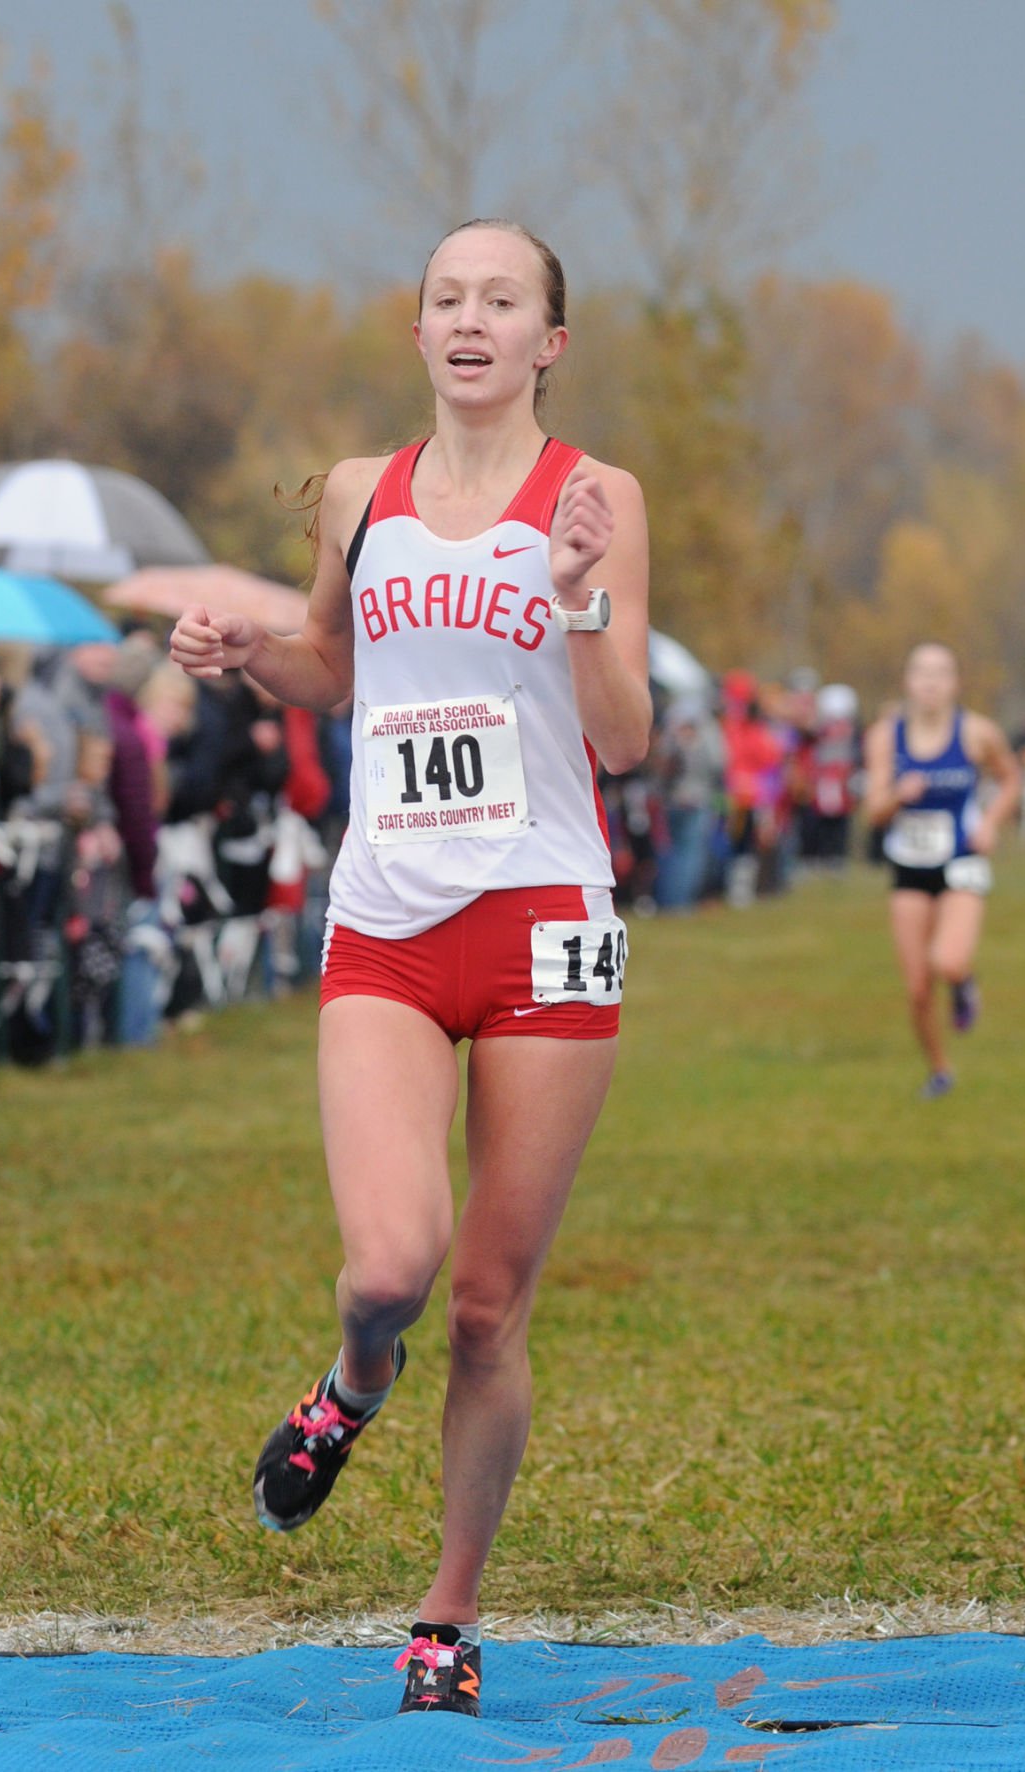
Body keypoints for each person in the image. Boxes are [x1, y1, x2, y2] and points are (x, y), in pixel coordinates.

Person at [170, 219, 651, 1717]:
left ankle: (445, 1617)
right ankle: (349, 1383)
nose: (471, 318)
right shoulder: (359, 497)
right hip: (387, 919)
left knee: (490, 1307)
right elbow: (338, 666)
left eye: (503, 300)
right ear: (422, 329)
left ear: (545, 344)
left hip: (543, 927)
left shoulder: (597, 498)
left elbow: (624, 736)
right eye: (449, 296)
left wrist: (573, 593)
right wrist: (250, 650)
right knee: (389, 1268)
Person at [864, 642, 1020, 1099]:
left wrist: (990, 823)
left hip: (962, 858)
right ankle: (939, 1069)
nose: (930, 682)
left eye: (941, 673)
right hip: (910, 865)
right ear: (907, 681)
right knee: (916, 989)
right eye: (921, 672)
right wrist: (896, 795)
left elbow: (1011, 778)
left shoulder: (976, 733)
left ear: (955, 683)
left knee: (946, 960)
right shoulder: (884, 736)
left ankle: (963, 981)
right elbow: (873, 811)